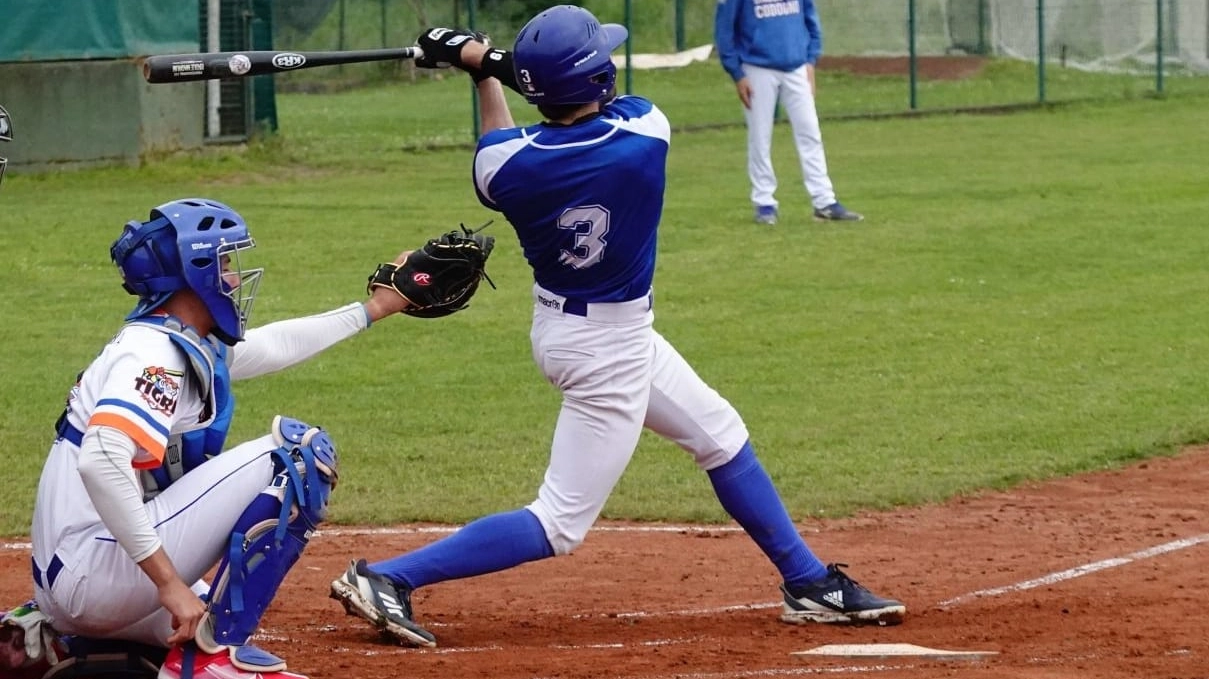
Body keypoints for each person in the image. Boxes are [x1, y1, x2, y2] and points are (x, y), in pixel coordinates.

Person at [329, 6, 904, 648]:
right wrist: (483, 58)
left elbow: (501, 139)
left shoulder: (506, 168)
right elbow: (566, 94)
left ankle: (806, 580)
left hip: (579, 331)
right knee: (559, 523)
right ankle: (387, 578)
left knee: (719, 433)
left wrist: (479, 69)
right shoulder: (645, 135)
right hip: (607, 350)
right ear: (595, 81)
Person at [20, 198, 417, 679]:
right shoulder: (154, 356)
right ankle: (209, 658)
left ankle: (65, 645)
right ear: (196, 271)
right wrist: (168, 584)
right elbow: (100, 460)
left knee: (203, 602)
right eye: (226, 262)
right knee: (296, 453)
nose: (234, 276)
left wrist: (375, 308)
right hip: (92, 575)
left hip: (81, 576)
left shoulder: (173, 341)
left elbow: (272, 346)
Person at [714, 0, 863, 225]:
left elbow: (810, 18)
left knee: (810, 132)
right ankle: (764, 203)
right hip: (757, 68)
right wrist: (737, 73)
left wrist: (810, 60)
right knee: (760, 137)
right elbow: (724, 29)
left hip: (796, 66)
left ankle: (824, 201)